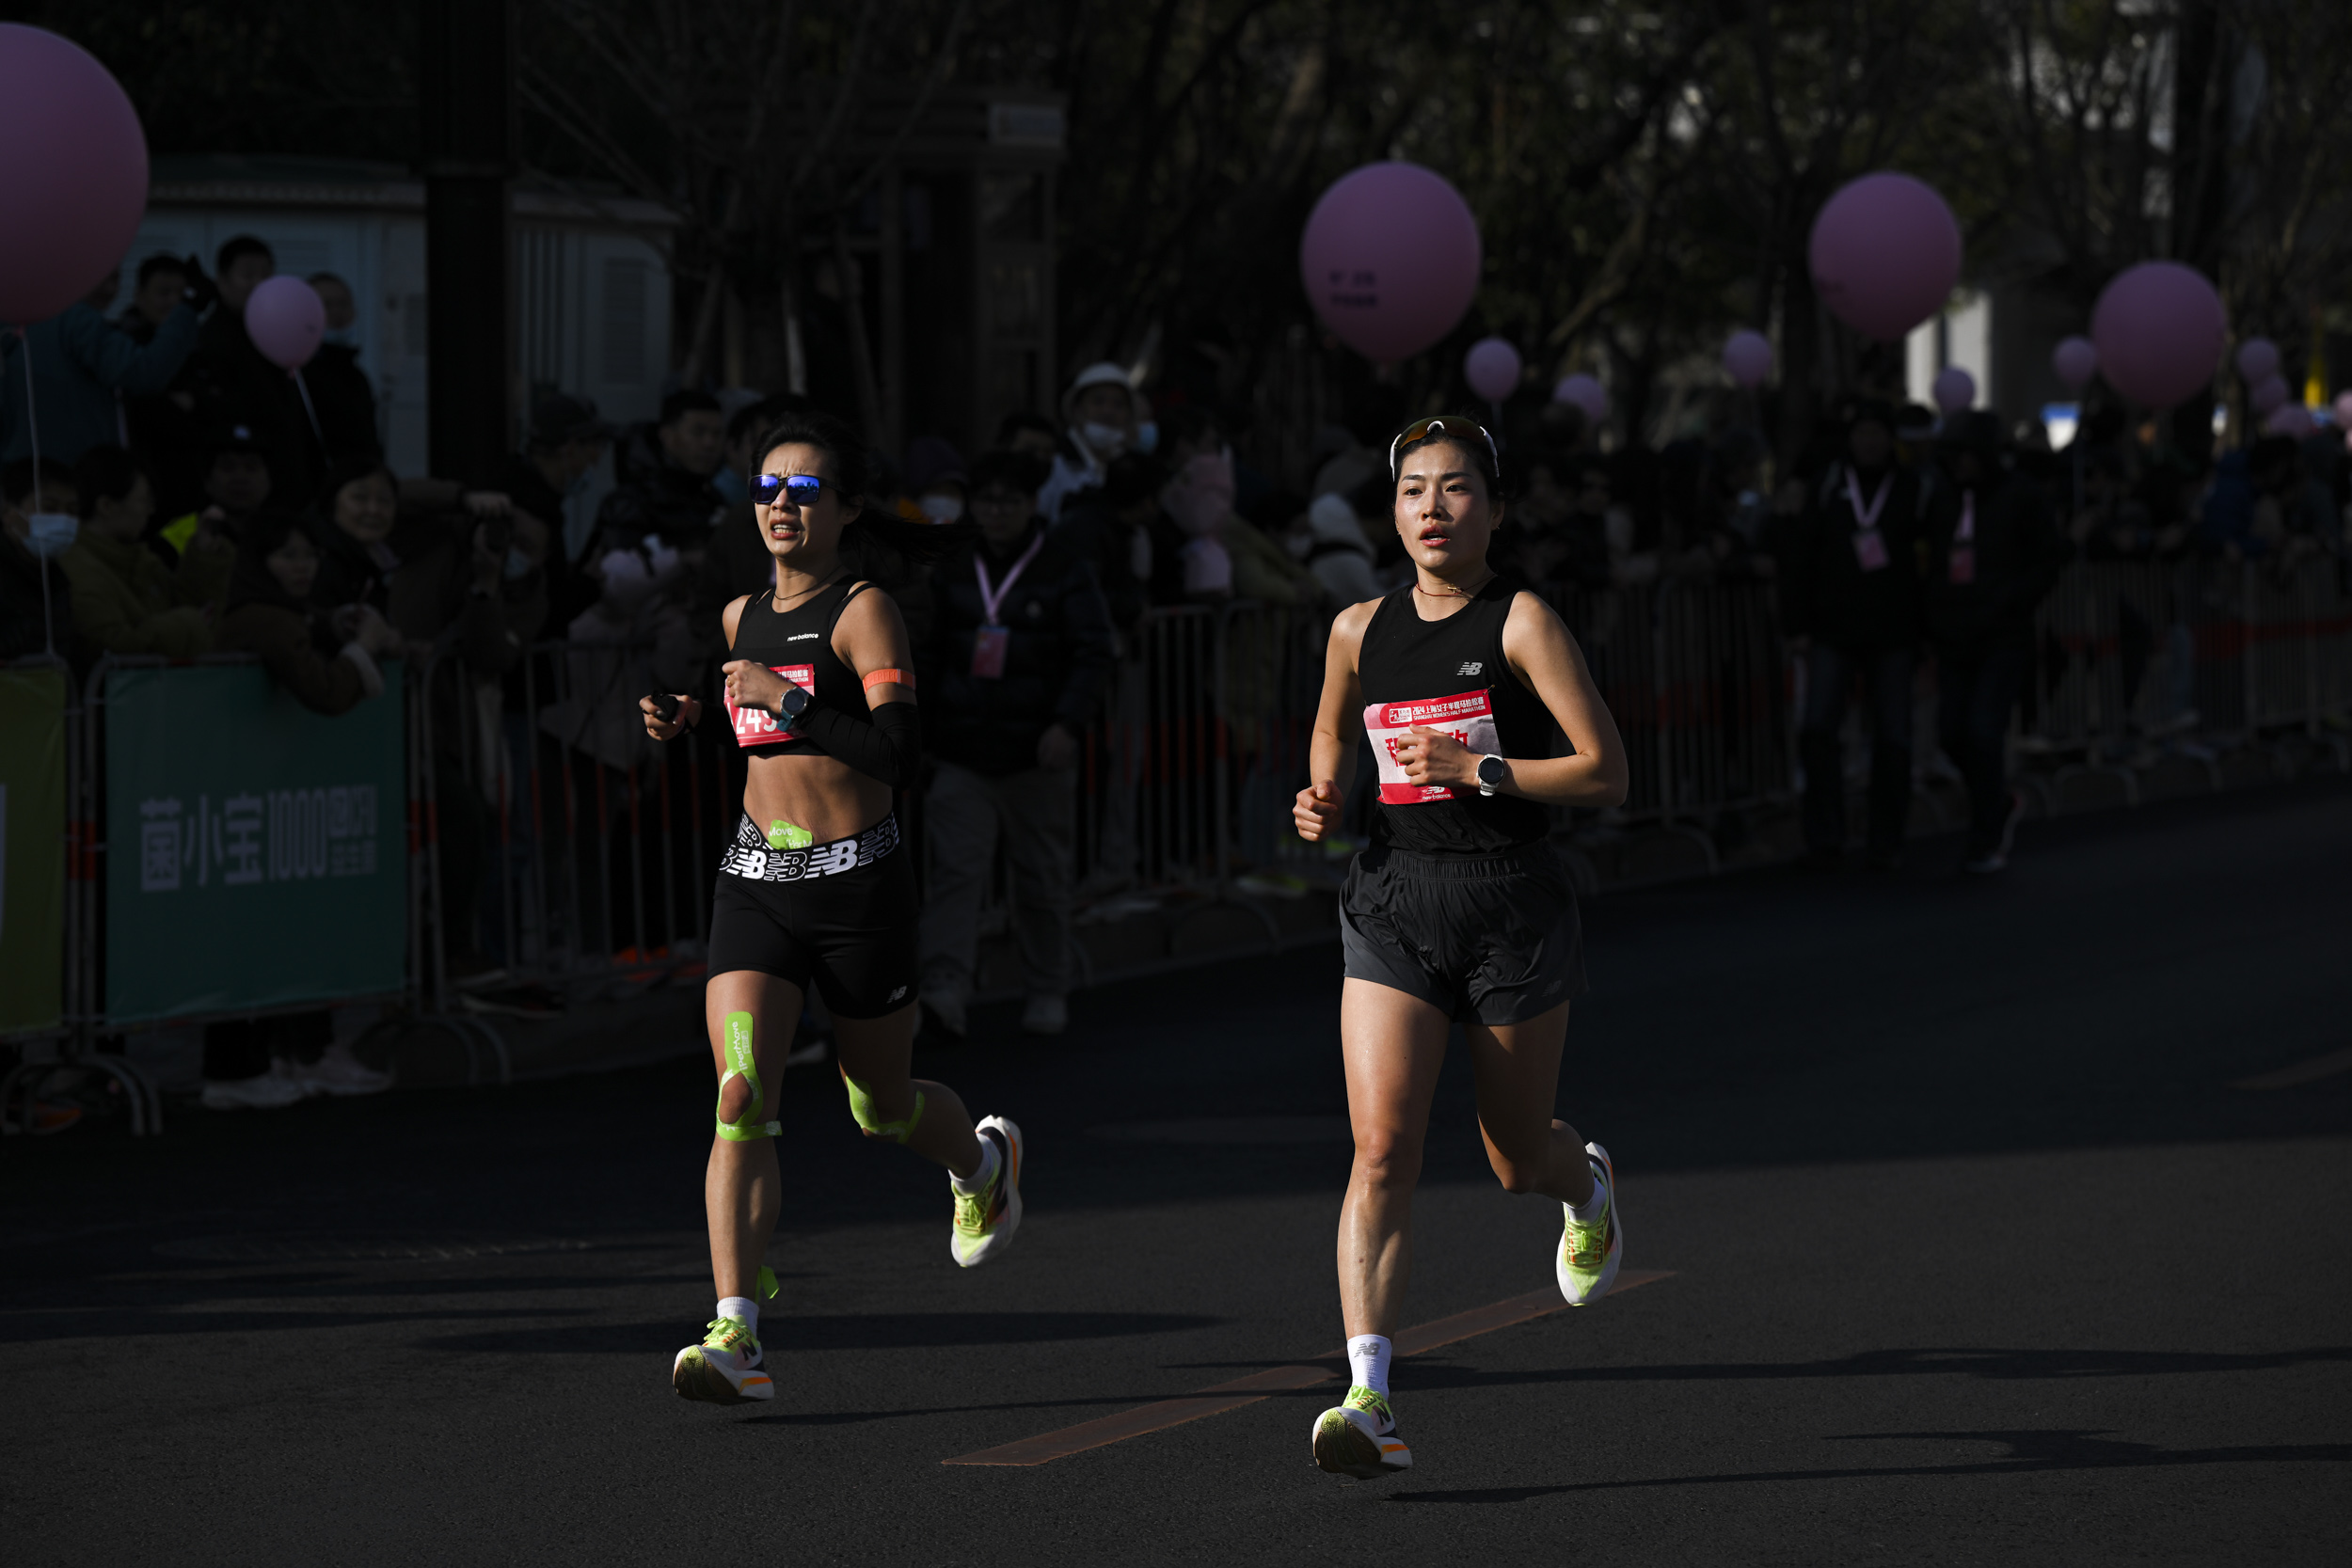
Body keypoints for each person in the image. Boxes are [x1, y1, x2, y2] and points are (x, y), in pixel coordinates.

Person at [638, 410, 1025, 1406]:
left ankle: (981, 1163)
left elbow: (896, 756)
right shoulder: (735, 616)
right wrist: (691, 715)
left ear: (846, 509)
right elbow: (763, 737)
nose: (779, 505)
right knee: (738, 1095)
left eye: (803, 490)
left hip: (859, 889)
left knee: (878, 1105)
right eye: (766, 487)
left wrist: (788, 697)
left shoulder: (865, 611)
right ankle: (737, 1328)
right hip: (755, 882)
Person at [1291, 414, 1629, 1480]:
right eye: (1411, 492)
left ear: (1494, 505)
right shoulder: (1357, 625)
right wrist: (1323, 792)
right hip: (1391, 896)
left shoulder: (1521, 620)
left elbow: (1604, 772)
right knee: (1382, 1148)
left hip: (1509, 902)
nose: (1431, 509)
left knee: (1512, 1156)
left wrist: (1477, 768)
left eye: (1454, 489)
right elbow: (1333, 728)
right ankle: (1368, 1395)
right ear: (1389, 511)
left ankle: (1583, 1187)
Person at [915, 448, 1115, 1040]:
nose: (997, 511)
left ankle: (1047, 984)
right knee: (955, 873)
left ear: (1032, 505)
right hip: (961, 749)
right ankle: (944, 987)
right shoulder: (952, 566)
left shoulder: (1062, 566)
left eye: (1010, 500)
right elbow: (927, 651)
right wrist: (923, 732)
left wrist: (1067, 725)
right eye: (987, 500)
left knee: (1042, 875)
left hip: (1037, 750)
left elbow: (1092, 652)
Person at [1776, 398, 1924, 869]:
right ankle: (1825, 835)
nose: (1870, 441)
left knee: (1894, 736)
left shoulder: (1911, 487)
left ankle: (1887, 836)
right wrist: (1796, 624)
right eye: (1862, 433)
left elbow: (1927, 559)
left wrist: (1924, 626)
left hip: (1893, 629)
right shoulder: (1828, 485)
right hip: (1831, 627)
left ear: (1890, 439)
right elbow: (1799, 554)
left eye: (1878, 433)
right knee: (1819, 727)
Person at [1923, 413, 2065, 874]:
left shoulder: (2021, 497)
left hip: (2002, 634)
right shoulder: (1944, 501)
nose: (1956, 464)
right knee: (1951, 734)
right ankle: (1996, 802)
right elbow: (1934, 562)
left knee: (1983, 732)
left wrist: (2013, 601)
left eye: (1962, 455)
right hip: (1956, 634)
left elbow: (2049, 558)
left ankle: (1985, 834)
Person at [0, 267, 200, 467]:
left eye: (116, 278)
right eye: (98, 275)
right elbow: (141, 373)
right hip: (79, 472)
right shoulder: (75, 320)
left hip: (26, 470)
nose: (110, 288)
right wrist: (188, 308)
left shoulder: (22, 322)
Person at [57, 446, 232, 660]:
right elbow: (111, 647)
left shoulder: (140, 561)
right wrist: (187, 624)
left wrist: (204, 556)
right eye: (144, 500)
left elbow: (186, 607)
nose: (150, 510)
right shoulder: (78, 569)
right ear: (107, 506)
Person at [1038, 362, 1139, 522]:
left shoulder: (1131, 465)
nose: (1108, 411)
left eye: (1118, 404)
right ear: (1077, 409)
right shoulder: (1054, 461)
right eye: (1098, 401)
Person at [2, 459, 81, 662]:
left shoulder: (59, 581)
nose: (62, 520)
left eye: (72, 511)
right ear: (8, 513)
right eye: (49, 508)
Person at [302, 273, 382, 466]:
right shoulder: (295, 372)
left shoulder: (356, 375)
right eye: (326, 304)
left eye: (344, 304)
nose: (337, 312)